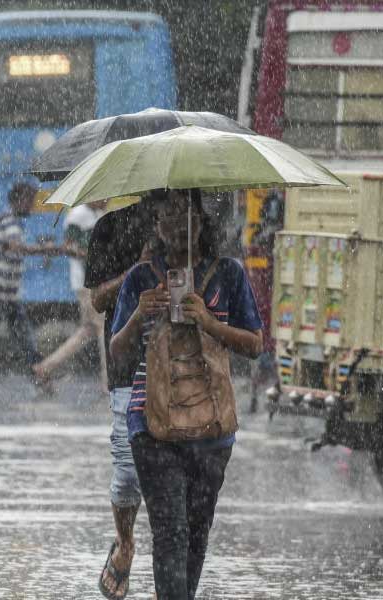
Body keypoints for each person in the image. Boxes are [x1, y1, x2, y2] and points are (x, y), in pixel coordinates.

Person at [109, 190, 262, 600]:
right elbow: (116, 351)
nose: (173, 222)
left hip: (211, 425)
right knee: (171, 530)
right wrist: (140, 313)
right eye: (163, 215)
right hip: (150, 421)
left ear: (200, 218)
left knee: (196, 531)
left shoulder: (228, 273)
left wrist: (209, 322)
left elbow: (254, 344)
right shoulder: (141, 278)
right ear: (155, 226)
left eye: (181, 212)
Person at [86, 200, 156, 600]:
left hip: (181, 363)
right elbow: (98, 299)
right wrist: (137, 271)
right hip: (127, 361)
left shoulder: (191, 222)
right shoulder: (109, 228)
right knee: (128, 470)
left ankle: (171, 572)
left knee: (177, 473)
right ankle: (125, 541)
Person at [0, 181, 61, 389]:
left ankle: (38, 377)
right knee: (4, 337)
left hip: (7, 295)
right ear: (18, 200)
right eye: (29, 200)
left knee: (17, 338)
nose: (31, 206)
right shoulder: (9, 222)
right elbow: (15, 247)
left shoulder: (10, 221)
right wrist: (45, 248)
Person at [32, 201, 105, 386]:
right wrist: (89, 255)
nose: (107, 201)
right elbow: (68, 247)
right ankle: (108, 381)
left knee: (88, 330)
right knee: (104, 329)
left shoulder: (98, 213)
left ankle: (46, 367)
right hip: (86, 282)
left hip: (95, 280)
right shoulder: (77, 215)